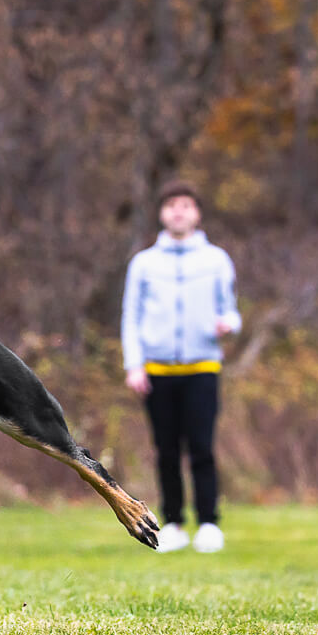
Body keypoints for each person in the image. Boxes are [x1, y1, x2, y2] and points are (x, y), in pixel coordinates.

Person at [121, 180, 241, 553]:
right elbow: (131, 317)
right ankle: (172, 523)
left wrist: (228, 325)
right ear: (161, 212)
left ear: (197, 213)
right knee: (166, 450)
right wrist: (134, 365)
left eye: (186, 205)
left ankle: (209, 524)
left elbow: (232, 311)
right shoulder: (144, 263)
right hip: (157, 371)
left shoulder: (216, 259)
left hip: (202, 367)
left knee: (202, 447)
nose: (178, 211)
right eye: (172, 204)